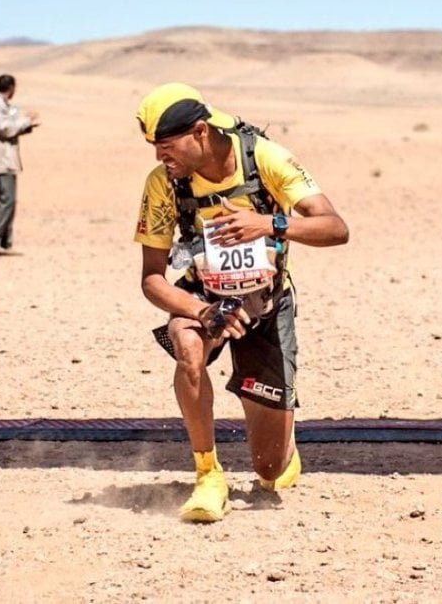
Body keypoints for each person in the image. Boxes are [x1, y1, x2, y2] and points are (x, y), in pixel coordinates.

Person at [133, 82, 349, 522]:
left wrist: (269, 224)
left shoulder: (266, 158)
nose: (160, 157)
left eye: (167, 146)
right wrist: (203, 312)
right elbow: (153, 280)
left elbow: (335, 228)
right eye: (156, 148)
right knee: (188, 346)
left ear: (199, 132)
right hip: (203, 296)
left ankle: (282, 441)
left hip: (265, 303)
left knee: (269, 468)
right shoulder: (163, 184)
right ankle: (207, 474)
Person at [0, 74, 39, 254]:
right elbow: (6, 129)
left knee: (8, 200)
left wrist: (26, 127)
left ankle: (5, 242)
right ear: (11, 87)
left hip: (3, 158)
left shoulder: (0, 104)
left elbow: (10, 127)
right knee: (7, 200)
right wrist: (27, 121)